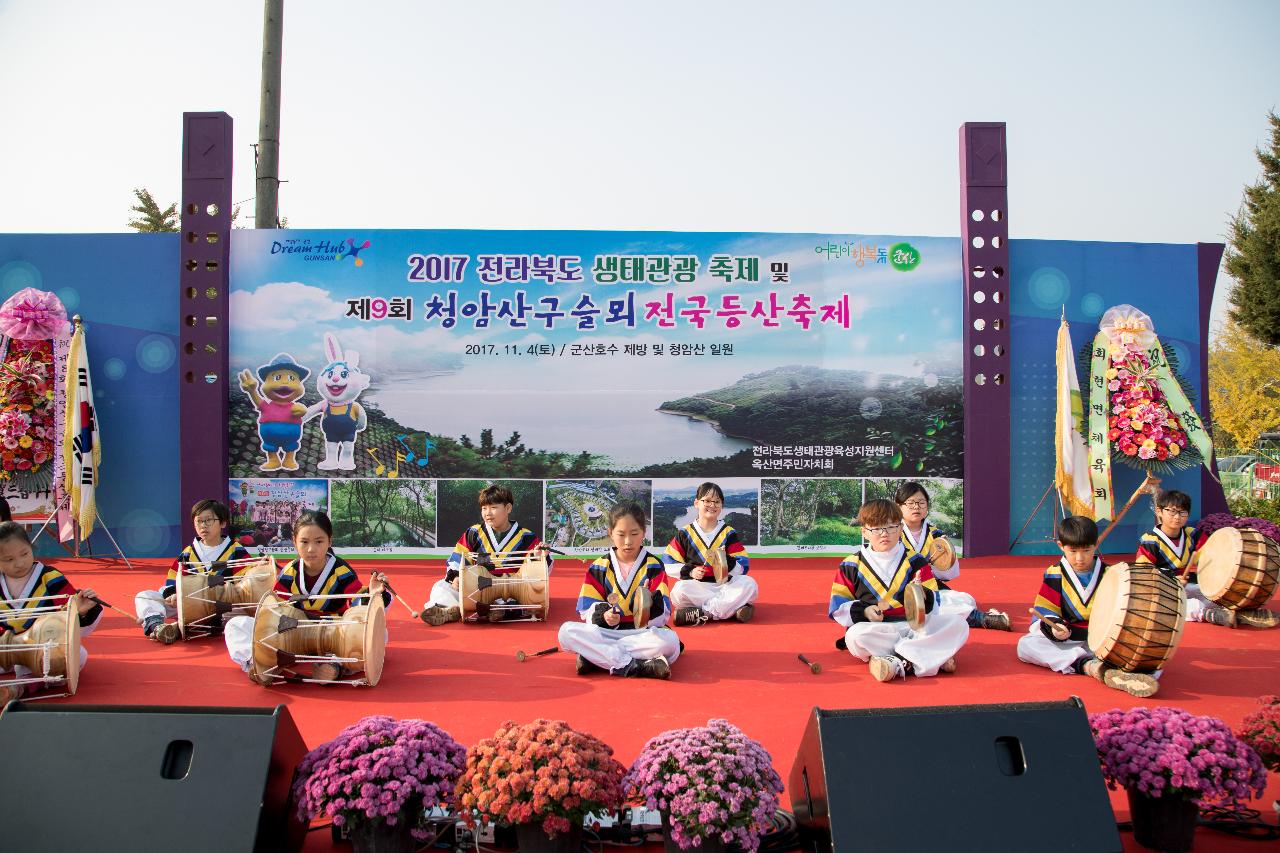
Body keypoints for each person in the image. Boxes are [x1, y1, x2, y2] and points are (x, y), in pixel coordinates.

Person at [224, 511, 388, 683]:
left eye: (319, 542)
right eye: (304, 542)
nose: (311, 549)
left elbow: (358, 607)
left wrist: (374, 593)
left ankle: (336, 666)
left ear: (329, 541)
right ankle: (255, 661)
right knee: (236, 625)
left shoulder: (341, 570)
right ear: (295, 541)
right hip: (294, 636)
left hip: (333, 637)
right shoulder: (290, 571)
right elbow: (275, 608)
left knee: (379, 634)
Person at [1016, 515, 1160, 697]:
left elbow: (1124, 611)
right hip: (1070, 638)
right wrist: (1056, 626)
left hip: (1105, 640)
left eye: (1086, 550)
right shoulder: (1055, 574)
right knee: (1026, 645)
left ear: (1096, 544)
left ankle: (1106, 665)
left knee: (1147, 651)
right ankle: (1088, 665)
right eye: (1073, 551)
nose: (1080, 558)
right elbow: (1046, 609)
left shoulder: (1112, 573)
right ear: (1061, 546)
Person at [828, 499, 969, 682]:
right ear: (864, 532)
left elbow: (935, 605)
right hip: (877, 629)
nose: (884, 534)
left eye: (891, 527)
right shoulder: (851, 565)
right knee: (855, 636)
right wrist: (864, 611)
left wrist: (922, 596)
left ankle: (896, 662)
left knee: (958, 625)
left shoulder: (916, 561)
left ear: (901, 528)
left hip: (913, 628)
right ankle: (927, 655)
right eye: (876, 528)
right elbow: (838, 607)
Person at [558, 501, 679, 679]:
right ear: (610, 533)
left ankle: (598, 657)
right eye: (621, 534)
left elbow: (664, 615)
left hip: (641, 634)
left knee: (669, 642)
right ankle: (634, 665)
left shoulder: (654, 565)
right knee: (566, 632)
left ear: (643, 533)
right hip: (608, 632)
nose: (628, 541)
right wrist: (604, 616)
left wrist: (649, 604)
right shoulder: (598, 566)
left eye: (634, 534)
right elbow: (587, 610)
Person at [1133, 489, 1277, 628]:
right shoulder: (1149, 541)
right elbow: (1144, 574)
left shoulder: (1192, 534)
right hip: (1164, 588)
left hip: (1189, 584)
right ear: (1159, 512)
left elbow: (1211, 554)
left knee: (1216, 596)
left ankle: (1231, 614)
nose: (1177, 517)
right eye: (1171, 511)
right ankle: (1208, 615)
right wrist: (1173, 580)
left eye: (1182, 512)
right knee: (1179, 605)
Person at [0, 522, 102, 702]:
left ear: (31, 547)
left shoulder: (49, 577)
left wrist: (80, 609)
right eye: (9, 559)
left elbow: (67, 615)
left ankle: (19, 688)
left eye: (24, 553)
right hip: (6, 648)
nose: (19, 563)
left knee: (75, 657)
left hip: (44, 649)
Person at [420, 484, 549, 625]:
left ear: (508, 508)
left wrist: (539, 555)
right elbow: (458, 557)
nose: (487, 513)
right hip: (479, 588)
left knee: (525, 596)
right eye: (484, 508)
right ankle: (448, 609)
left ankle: (498, 609)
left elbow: (541, 572)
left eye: (493, 508)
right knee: (441, 586)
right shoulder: (474, 533)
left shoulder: (527, 536)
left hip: (513, 591)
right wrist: (456, 576)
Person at [134, 499, 254, 644]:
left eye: (209, 520)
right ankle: (157, 626)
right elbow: (172, 582)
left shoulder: (237, 551)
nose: (203, 525)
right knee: (145, 597)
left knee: (244, 612)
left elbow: (247, 587)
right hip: (188, 605)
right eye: (199, 521)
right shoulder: (187, 553)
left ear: (222, 523)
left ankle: (178, 628)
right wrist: (173, 595)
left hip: (222, 607)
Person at [895, 482, 1010, 631]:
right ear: (899, 506)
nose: (916, 507)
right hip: (900, 588)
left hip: (930, 586)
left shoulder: (936, 535)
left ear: (927, 506)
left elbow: (949, 575)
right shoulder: (892, 532)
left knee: (964, 599)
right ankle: (981, 618)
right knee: (919, 605)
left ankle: (971, 616)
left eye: (921, 502)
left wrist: (946, 557)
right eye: (910, 503)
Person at [663, 482, 758, 626]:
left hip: (725, 586)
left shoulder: (728, 532)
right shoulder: (685, 533)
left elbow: (742, 567)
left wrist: (723, 561)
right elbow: (668, 562)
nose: (712, 505)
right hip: (698, 587)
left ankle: (702, 614)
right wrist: (691, 571)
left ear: (721, 506)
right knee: (678, 591)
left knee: (749, 584)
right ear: (696, 503)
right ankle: (732, 610)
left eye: (717, 502)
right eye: (707, 501)